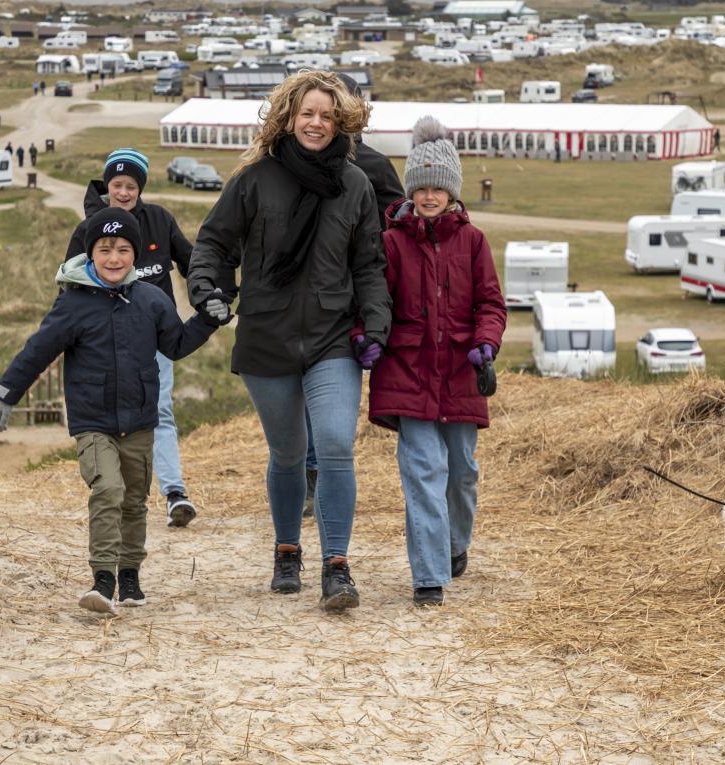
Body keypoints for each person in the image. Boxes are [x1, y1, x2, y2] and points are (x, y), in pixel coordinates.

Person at [186, 70, 391, 612]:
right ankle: (287, 551)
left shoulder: (356, 185)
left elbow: (370, 265)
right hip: (267, 335)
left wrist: (375, 325)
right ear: (289, 117)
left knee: (335, 447)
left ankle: (337, 567)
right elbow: (213, 242)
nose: (316, 123)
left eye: (326, 114)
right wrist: (207, 289)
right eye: (307, 113)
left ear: (340, 119)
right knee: (287, 454)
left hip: (331, 340)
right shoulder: (255, 180)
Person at [0, 208, 220, 615]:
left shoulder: (151, 299)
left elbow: (176, 346)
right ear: (90, 253)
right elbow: (38, 349)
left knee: (134, 500)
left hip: (140, 421)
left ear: (135, 254)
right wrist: (8, 392)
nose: (114, 258)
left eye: (122, 250)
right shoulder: (73, 303)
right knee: (108, 491)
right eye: (104, 249)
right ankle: (102, 579)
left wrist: (207, 320)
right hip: (93, 421)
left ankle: (130, 575)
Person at [369, 116, 506, 607]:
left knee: (462, 470)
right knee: (423, 470)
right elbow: (374, 303)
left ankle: (454, 546)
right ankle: (428, 575)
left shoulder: (473, 242)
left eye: (437, 188)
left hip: (460, 374)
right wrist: (366, 337)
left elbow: (491, 303)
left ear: (452, 192)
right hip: (407, 373)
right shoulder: (391, 242)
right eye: (421, 187)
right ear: (411, 190)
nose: (428, 196)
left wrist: (486, 343)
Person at [65, 148, 201, 528]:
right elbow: (68, 286)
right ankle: (117, 492)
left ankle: (175, 493)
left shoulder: (159, 220)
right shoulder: (88, 229)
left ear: (141, 187)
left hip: (155, 339)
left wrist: (211, 296)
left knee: (159, 410)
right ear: (107, 185)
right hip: (103, 341)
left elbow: (192, 264)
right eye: (116, 185)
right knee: (111, 419)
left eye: (131, 186)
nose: (123, 192)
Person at [297, 74, 407, 519]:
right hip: (301, 300)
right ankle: (309, 476)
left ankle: (323, 473)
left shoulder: (374, 166)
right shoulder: (295, 161)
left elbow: (397, 230)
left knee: (330, 401)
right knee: (303, 397)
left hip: (352, 301)